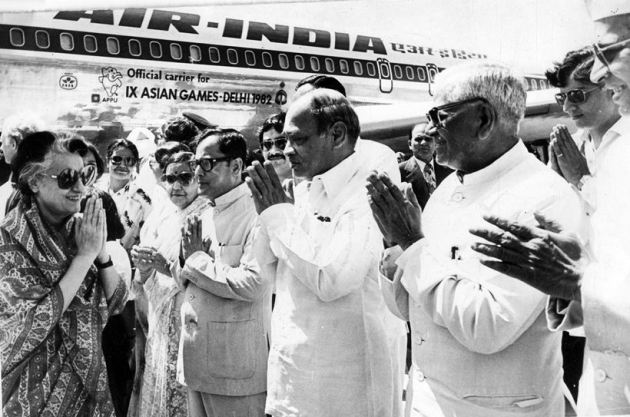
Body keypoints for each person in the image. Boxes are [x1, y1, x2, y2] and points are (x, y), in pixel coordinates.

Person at [367, 62, 585, 417]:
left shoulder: (542, 197)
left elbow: (489, 327)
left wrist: (411, 245)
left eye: (439, 116)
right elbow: (411, 310)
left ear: (483, 119)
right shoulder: (448, 189)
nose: (431, 128)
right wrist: (395, 251)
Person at [471, 2, 630, 414]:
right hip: (599, 333)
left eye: (578, 95)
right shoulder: (583, 144)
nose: (569, 105)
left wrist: (581, 183)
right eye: (564, 97)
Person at [246, 88, 405, 417]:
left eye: (298, 140)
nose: (286, 151)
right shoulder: (305, 187)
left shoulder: (366, 190)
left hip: (341, 387)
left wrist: (278, 215)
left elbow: (332, 279)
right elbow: (268, 272)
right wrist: (271, 214)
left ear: (337, 135)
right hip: (292, 377)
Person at [0, 131, 128, 416]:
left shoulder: (81, 229)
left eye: (86, 176)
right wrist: (83, 258)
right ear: (34, 181)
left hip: (89, 387)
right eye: (67, 178)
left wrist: (100, 254)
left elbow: (117, 303)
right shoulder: (10, 239)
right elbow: (29, 328)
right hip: (33, 393)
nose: (80, 188)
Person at [174, 128, 271, 417]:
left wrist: (196, 259)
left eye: (207, 163)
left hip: (234, 367)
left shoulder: (257, 213)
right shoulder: (204, 212)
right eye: (195, 163)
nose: (197, 172)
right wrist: (186, 261)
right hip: (196, 361)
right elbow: (186, 278)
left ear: (236, 166)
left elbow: (254, 283)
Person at [130, 151, 211, 417]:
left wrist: (162, 265)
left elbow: (203, 276)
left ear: (198, 178)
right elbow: (149, 276)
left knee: (184, 395)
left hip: (188, 318)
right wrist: (144, 267)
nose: (176, 185)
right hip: (160, 319)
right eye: (170, 178)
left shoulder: (207, 215)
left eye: (184, 178)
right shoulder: (166, 214)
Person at [545, 47, 620, 197]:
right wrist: (556, 181)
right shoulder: (572, 145)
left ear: (610, 87)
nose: (566, 107)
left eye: (576, 95)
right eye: (562, 98)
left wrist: (580, 178)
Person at [95, 139, 151, 251]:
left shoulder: (143, 199)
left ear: (135, 164)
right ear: (107, 161)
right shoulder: (95, 190)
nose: (123, 165)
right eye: (117, 159)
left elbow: (147, 237)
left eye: (129, 160)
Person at [0, 113, 44, 218]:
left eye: (2, 142)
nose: (1, 148)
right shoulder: (43, 183)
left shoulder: (13, 189)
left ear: (13, 144)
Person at [399, 122, 452, 207]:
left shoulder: (449, 169)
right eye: (418, 139)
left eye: (428, 139)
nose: (423, 143)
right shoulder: (399, 172)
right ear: (409, 144)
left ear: (435, 143)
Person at [258, 112, 292, 182]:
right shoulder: (255, 186)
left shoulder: (312, 185)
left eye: (281, 143)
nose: (273, 151)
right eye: (267, 144)